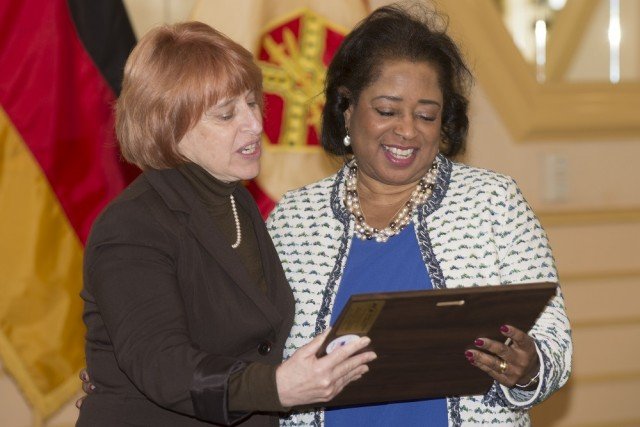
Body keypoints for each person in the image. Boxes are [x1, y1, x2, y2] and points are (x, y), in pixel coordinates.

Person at [266, 4, 572, 426]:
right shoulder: (294, 218)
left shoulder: (494, 203)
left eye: (426, 115)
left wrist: (530, 366)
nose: (408, 130)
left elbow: (553, 343)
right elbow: (259, 355)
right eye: (387, 111)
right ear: (347, 109)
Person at [77, 22, 376, 427]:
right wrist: (277, 388)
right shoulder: (132, 227)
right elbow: (162, 365)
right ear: (170, 126)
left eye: (252, 103)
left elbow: (258, 345)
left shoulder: (235, 200)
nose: (254, 124)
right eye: (226, 114)